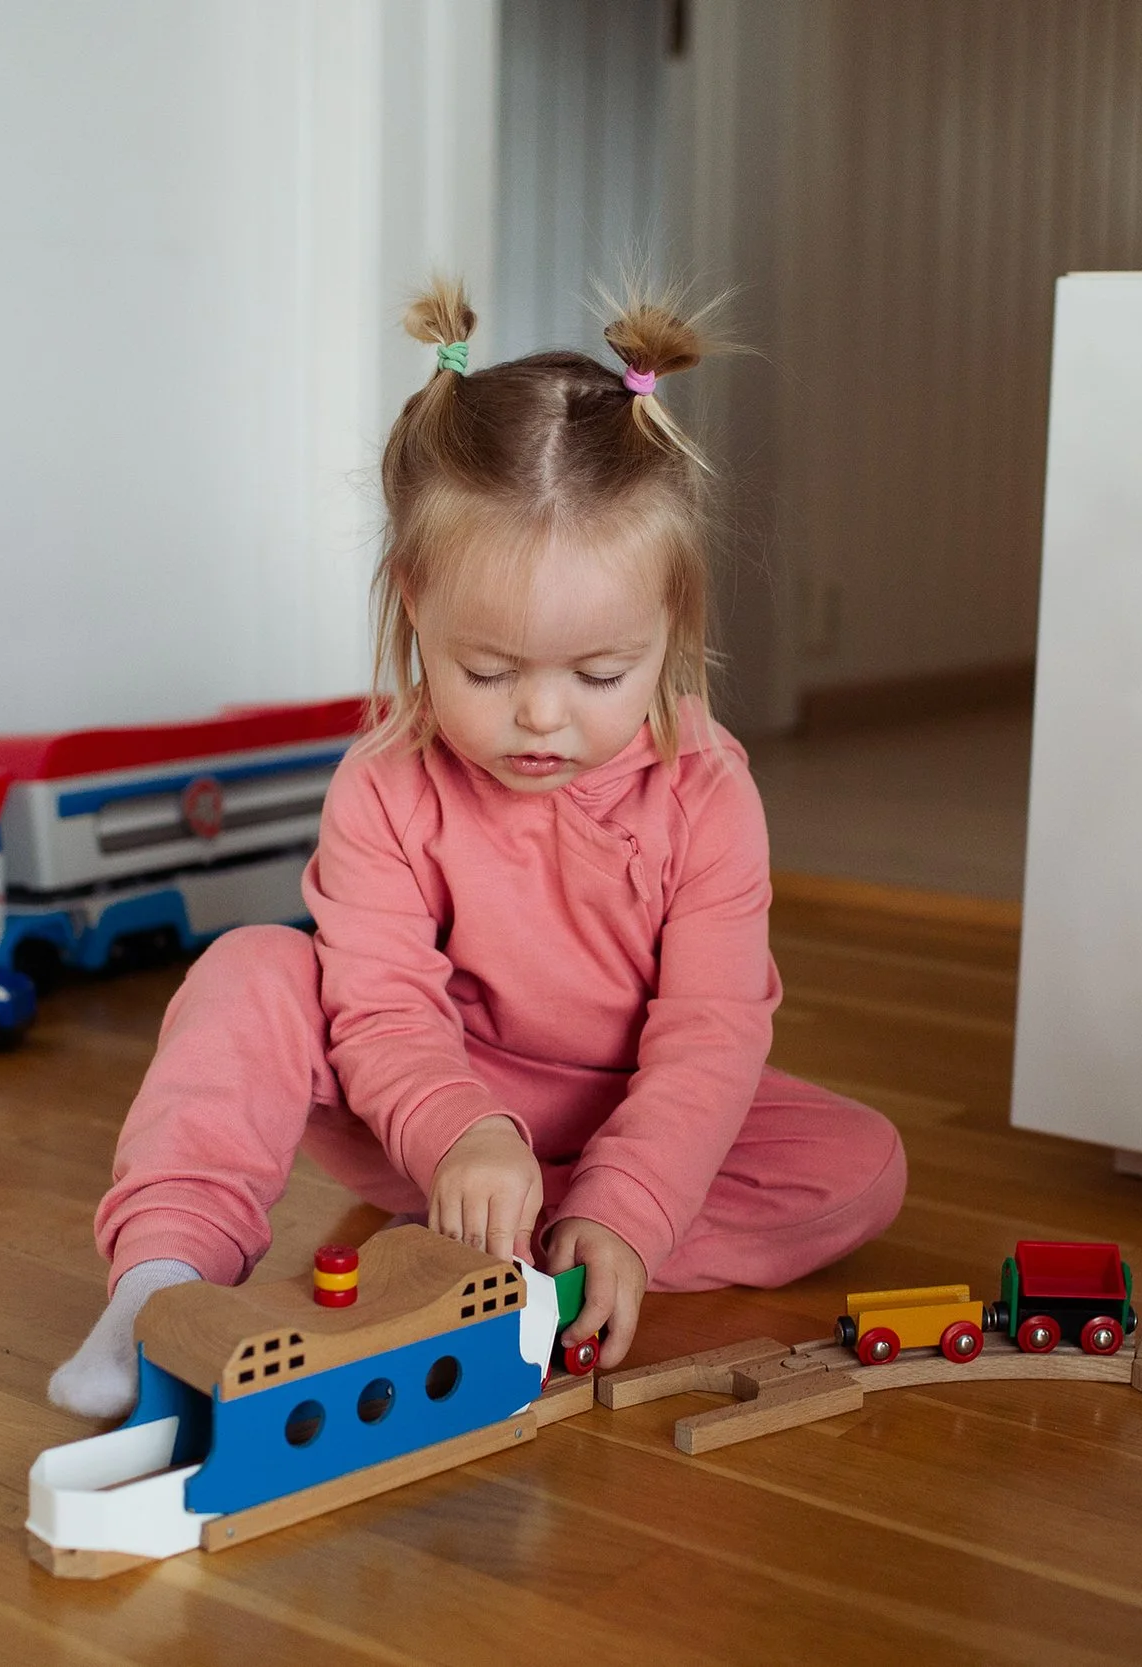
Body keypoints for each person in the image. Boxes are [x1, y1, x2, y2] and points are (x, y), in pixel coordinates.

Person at [47, 278, 906, 1418]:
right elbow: (383, 1006)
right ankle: (160, 1287)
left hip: (619, 1108)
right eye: (489, 673)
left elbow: (709, 1033)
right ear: (413, 606)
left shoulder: (706, 792)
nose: (541, 717)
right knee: (253, 968)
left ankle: (543, 1239)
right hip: (424, 1109)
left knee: (859, 1164)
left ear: (672, 630)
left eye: (599, 675)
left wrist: (626, 1205)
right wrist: (462, 1133)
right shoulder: (388, 782)